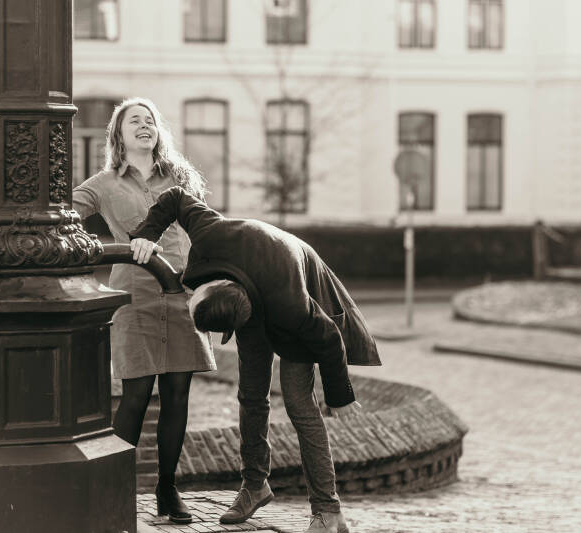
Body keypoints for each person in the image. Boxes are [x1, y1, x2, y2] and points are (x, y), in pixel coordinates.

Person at [128, 186, 381, 533]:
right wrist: (146, 234)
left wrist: (340, 396)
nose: (187, 298)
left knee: (299, 405)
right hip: (253, 284)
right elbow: (176, 196)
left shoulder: (291, 305)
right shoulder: (210, 233)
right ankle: (254, 486)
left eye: (191, 299)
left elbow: (329, 338)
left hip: (297, 284)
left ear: (218, 290)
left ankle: (328, 511)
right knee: (250, 395)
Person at [72, 98, 215, 525]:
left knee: (177, 394)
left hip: (182, 293)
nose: (144, 125)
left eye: (150, 120)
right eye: (134, 120)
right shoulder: (102, 184)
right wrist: (105, 248)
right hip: (134, 296)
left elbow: (203, 226)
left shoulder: (181, 177)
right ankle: (112, 492)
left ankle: (167, 489)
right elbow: (60, 220)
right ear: (118, 135)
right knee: (136, 394)